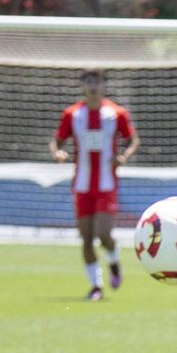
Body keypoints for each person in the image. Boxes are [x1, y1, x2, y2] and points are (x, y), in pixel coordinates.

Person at [50, 69, 139, 301]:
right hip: (81, 185)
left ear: (104, 86)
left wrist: (123, 157)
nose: (93, 86)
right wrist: (58, 152)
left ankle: (114, 261)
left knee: (104, 234)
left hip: (106, 184)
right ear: (82, 86)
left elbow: (132, 140)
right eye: (89, 81)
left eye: (97, 81)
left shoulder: (116, 113)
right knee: (87, 238)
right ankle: (96, 286)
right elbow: (57, 140)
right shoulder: (72, 114)